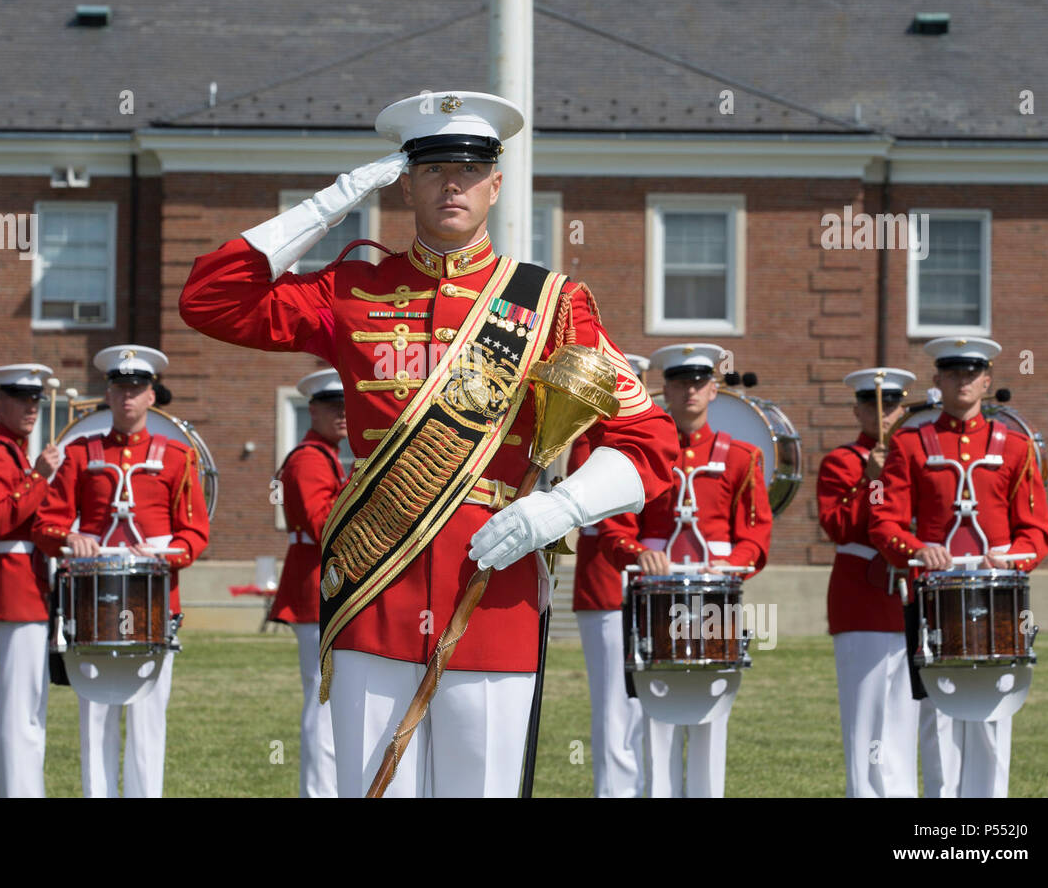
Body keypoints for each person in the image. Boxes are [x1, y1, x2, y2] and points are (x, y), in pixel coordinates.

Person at [179, 90, 678, 798]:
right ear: (404, 180)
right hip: (374, 582)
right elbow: (212, 299)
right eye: (434, 169)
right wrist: (338, 198)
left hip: (492, 581)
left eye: (471, 170)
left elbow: (648, 442)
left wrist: (560, 509)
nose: (453, 184)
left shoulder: (550, 304)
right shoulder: (350, 289)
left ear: (496, 185)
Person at [870, 337, 1048, 798]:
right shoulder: (909, 445)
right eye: (953, 374)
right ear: (937, 381)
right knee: (940, 717)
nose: (962, 381)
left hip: (999, 593)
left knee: (993, 714)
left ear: (987, 381)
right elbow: (884, 520)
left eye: (972, 374)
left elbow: (1036, 531)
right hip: (936, 594)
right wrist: (914, 549)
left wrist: (1013, 558)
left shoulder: (1016, 447)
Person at [32, 345, 209, 798]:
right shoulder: (78, 453)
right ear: (107, 395)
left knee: (149, 721)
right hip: (92, 604)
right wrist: (70, 538)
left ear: (153, 396)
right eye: (118, 388)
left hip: (154, 602)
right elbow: (46, 525)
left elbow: (195, 534)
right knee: (94, 718)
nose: (127, 396)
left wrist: (160, 556)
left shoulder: (177, 457)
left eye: (136, 388)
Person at [599, 343, 772, 798]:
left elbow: (755, 534)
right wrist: (637, 553)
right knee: (657, 712)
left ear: (714, 390)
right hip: (656, 595)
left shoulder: (743, 456)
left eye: (699, 382)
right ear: (666, 392)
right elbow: (616, 525)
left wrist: (733, 565)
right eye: (679, 383)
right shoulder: (641, 455)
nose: (690, 391)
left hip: (717, 596)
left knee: (712, 711)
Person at [817, 367, 919, 798]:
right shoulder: (842, 461)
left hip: (909, 595)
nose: (885, 414)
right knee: (865, 715)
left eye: (894, 405)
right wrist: (870, 481)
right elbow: (838, 525)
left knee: (905, 711)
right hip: (863, 595)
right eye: (874, 405)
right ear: (858, 409)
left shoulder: (913, 459)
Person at [0, 363, 62, 798]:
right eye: (21, 399)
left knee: (33, 706)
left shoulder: (15, 452)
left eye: (35, 400)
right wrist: (39, 476)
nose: (31, 408)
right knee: (19, 707)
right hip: (14, 583)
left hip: (34, 583)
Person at [570, 352, 650, 798]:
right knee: (616, 705)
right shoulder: (589, 441)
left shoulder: (648, 439)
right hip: (606, 585)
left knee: (646, 702)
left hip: (647, 584)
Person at [271, 367, 347, 797]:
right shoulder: (308, 458)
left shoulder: (326, 454)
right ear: (311, 410)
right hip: (315, 585)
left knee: (329, 698)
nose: (341, 414)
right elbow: (325, 526)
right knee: (323, 702)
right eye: (331, 407)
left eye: (344, 406)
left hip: (321, 585)